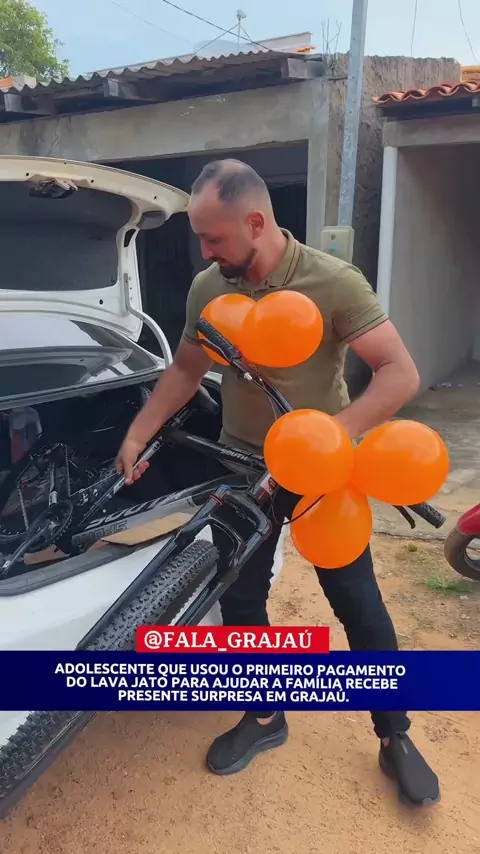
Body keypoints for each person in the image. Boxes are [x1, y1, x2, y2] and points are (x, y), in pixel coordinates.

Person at [115, 159, 439, 807]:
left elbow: (399, 372)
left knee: (358, 602)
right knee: (241, 598)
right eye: (200, 239)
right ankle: (265, 714)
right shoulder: (210, 288)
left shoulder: (332, 281)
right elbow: (186, 369)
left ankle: (394, 733)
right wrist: (136, 434)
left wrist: (330, 438)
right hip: (242, 466)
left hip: (323, 474)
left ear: (256, 223)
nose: (205, 252)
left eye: (214, 238)